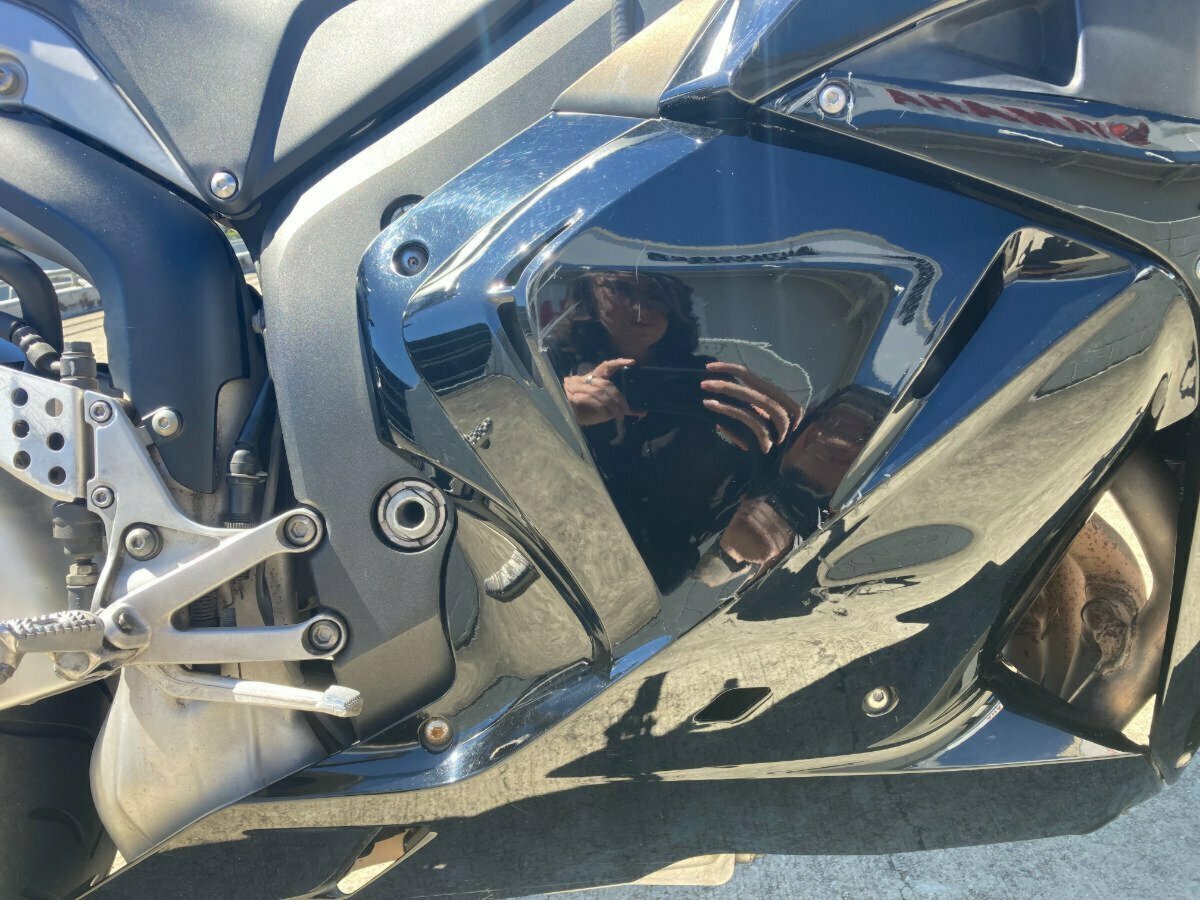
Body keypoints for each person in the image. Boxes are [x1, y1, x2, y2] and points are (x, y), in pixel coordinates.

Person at [544, 271, 799, 590]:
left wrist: (780, 439)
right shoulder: (551, 372)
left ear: (674, 304)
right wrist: (558, 411)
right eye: (621, 290)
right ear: (591, 296)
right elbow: (522, 466)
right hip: (572, 557)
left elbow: (753, 470)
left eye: (655, 294)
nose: (640, 308)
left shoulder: (707, 379)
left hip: (675, 571)